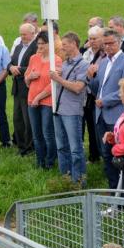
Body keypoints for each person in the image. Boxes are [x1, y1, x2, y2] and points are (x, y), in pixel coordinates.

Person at [88, 28, 124, 188]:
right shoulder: (103, 62)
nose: (108, 47)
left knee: (119, 156)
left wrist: (105, 100)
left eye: (111, 43)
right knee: (106, 155)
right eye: (105, 44)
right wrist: (91, 77)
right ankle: (112, 189)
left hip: (116, 115)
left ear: (119, 43)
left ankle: (122, 192)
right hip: (100, 114)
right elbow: (98, 87)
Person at [50, 32, 90, 182]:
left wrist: (58, 79)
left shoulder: (83, 65)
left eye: (65, 44)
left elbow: (78, 87)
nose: (63, 47)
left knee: (75, 148)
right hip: (59, 110)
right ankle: (65, 178)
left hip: (72, 111)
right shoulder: (65, 64)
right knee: (61, 146)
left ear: (74, 44)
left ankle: (79, 179)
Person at [24, 31, 61, 167]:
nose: (39, 46)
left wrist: (38, 98)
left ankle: (50, 161)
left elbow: (53, 84)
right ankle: (40, 162)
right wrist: (30, 77)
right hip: (31, 100)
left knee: (47, 133)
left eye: (42, 44)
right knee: (36, 134)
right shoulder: (33, 58)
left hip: (46, 102)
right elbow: (26, 79)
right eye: (38, 43)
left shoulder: (56, 60)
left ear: (50, 44)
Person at [9, 23, 38, 156]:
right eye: (21, 34)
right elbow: (11, 61)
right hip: (17, 88)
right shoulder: (19, 46)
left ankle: (29, 147)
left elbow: (36, 68)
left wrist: (18, 69)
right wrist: (10, 67)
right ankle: (20, 145)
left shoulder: (37, 47)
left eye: (24, 34)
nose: (22, 37)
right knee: (17, 118)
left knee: (28, 120)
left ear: (33, 33)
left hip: (29, 88)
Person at [82, 26, 105, 162]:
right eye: (90, 39)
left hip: (99, 95)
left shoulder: (105, 55)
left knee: (98, 126)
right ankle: (93, 155)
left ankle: (102, 153)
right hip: (87, 94)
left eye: (95, 39)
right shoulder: (87, 53)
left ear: (102, 39)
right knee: (90, 126)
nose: (92, 41)